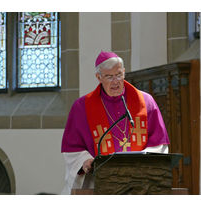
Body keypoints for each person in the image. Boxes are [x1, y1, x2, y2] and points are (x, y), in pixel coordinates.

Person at [60, 51, 170, 194]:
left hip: (140, 183)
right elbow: (72, 149)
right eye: (109, 77)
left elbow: (159, 144)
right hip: (100, 183)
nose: (115, 81)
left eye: (118, 75)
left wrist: (144, 161)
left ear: (124, 72)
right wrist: (85, 161)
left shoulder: (145, 102)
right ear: (98, 77)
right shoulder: (82, 107)